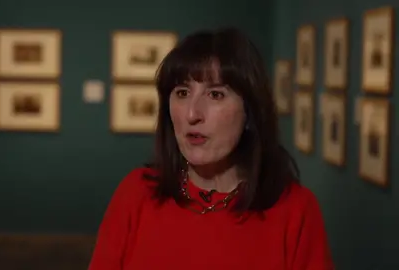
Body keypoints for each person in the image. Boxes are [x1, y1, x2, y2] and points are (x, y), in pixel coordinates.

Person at [88, 27, 334, 270]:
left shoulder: (295, 209)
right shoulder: (136, 193)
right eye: (182, 93)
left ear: (250, 112)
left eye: (215, 95)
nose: (192, 113)